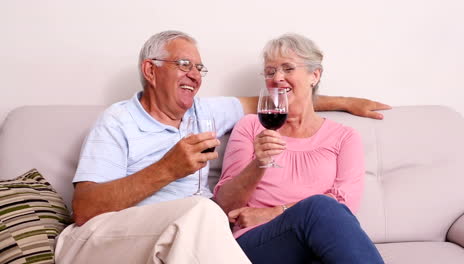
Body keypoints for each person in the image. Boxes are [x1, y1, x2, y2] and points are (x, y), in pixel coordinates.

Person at [54, 30, 390, 263]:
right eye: (184, 65)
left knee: (212, 215)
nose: (196, 75)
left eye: (199, 68)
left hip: (202, 238)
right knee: (204, 211)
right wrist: (168, 169)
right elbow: (84, 209)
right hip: (138, 234)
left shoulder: (206, 111)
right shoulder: (119, 121)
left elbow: (278, 100)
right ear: (150, 70)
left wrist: (345, 101)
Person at [214, 33, 385, 263]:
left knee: (323, 216)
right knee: (321, 206)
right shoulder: (251, 126)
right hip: (256, 243)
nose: (278, 78)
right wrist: (259, 163)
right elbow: (224, 205)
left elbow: (346, 205)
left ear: (314, 75)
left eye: (287, 68)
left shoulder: (344, 137)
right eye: (270, 71)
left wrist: (274, 212)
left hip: (317, 243)